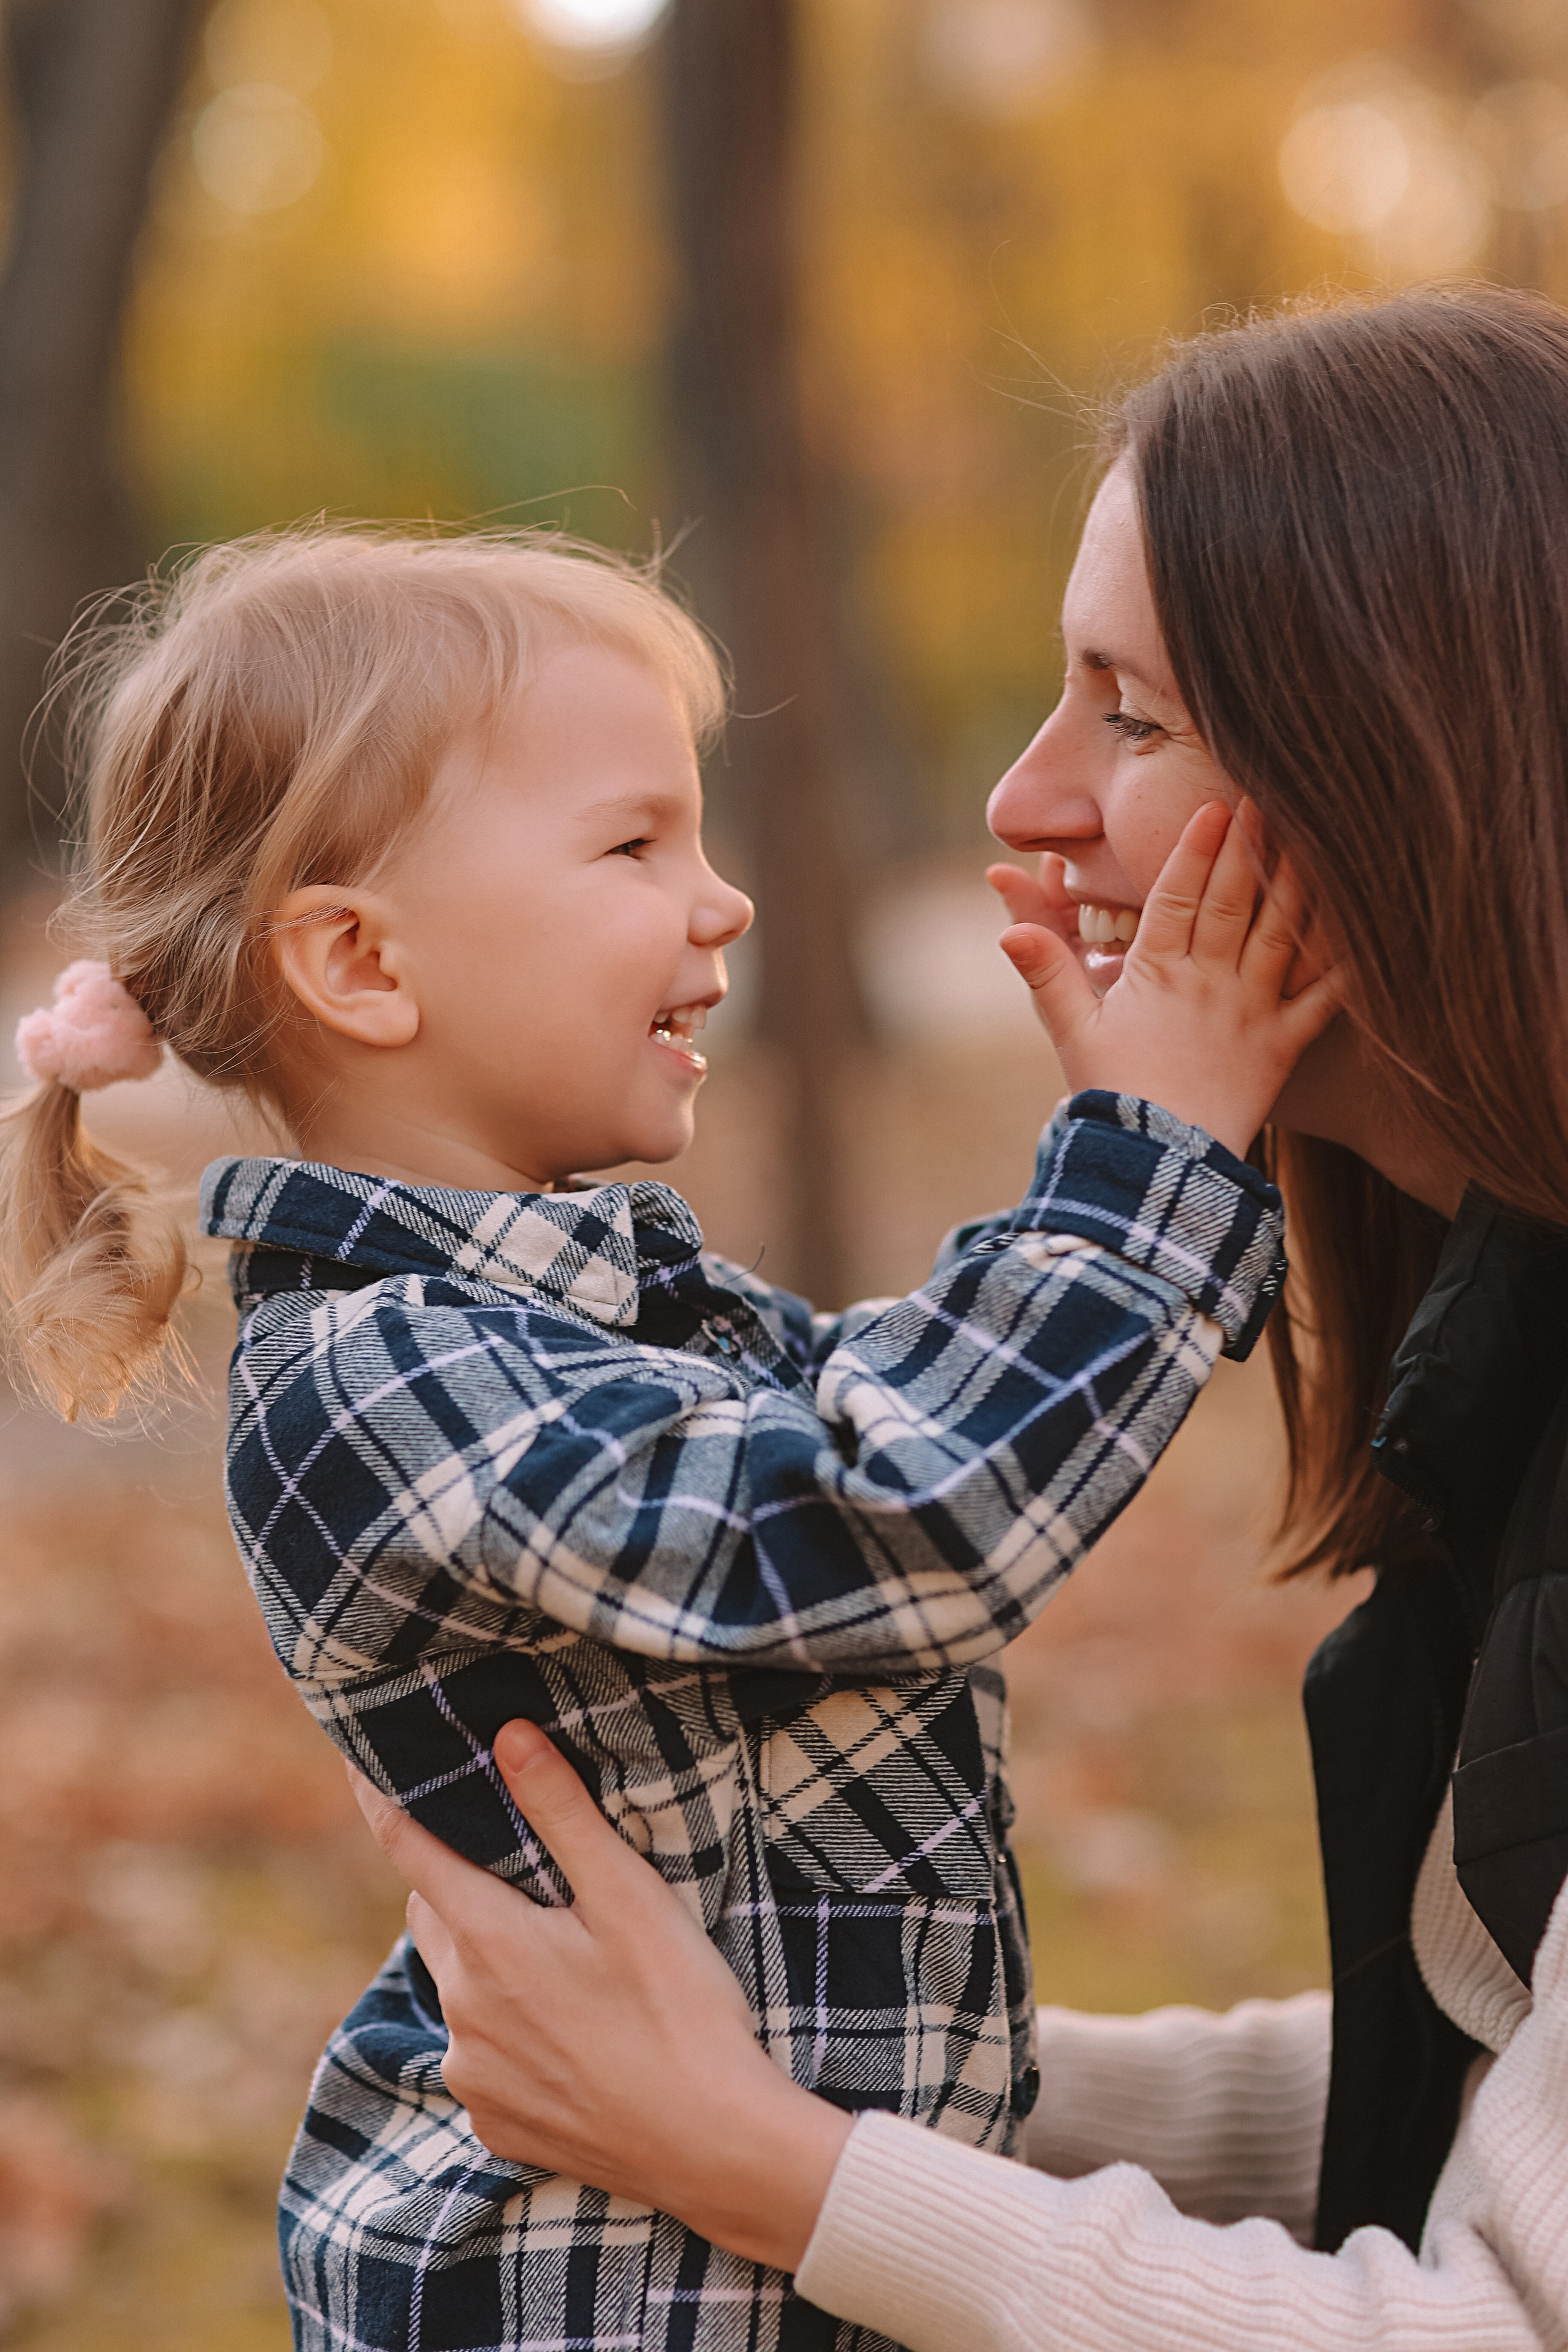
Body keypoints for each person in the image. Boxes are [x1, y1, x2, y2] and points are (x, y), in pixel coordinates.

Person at [352, 284, 1568, 2352]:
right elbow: (1483, 2063)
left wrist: (766, 2156)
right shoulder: (1514, 1330)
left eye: (1134, 711)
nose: (1025, 803)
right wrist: (769, 2056)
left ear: (1413, 756)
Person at [0, 526, 1328, 2352]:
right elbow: (904, 1518)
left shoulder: (588, 1312)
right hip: (598, 2307)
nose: (726, 903)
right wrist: (1148, 1174)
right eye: (636, 845)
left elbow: (895, 1403)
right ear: (364, 963)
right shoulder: (377, 1383)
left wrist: (1120, 1146)